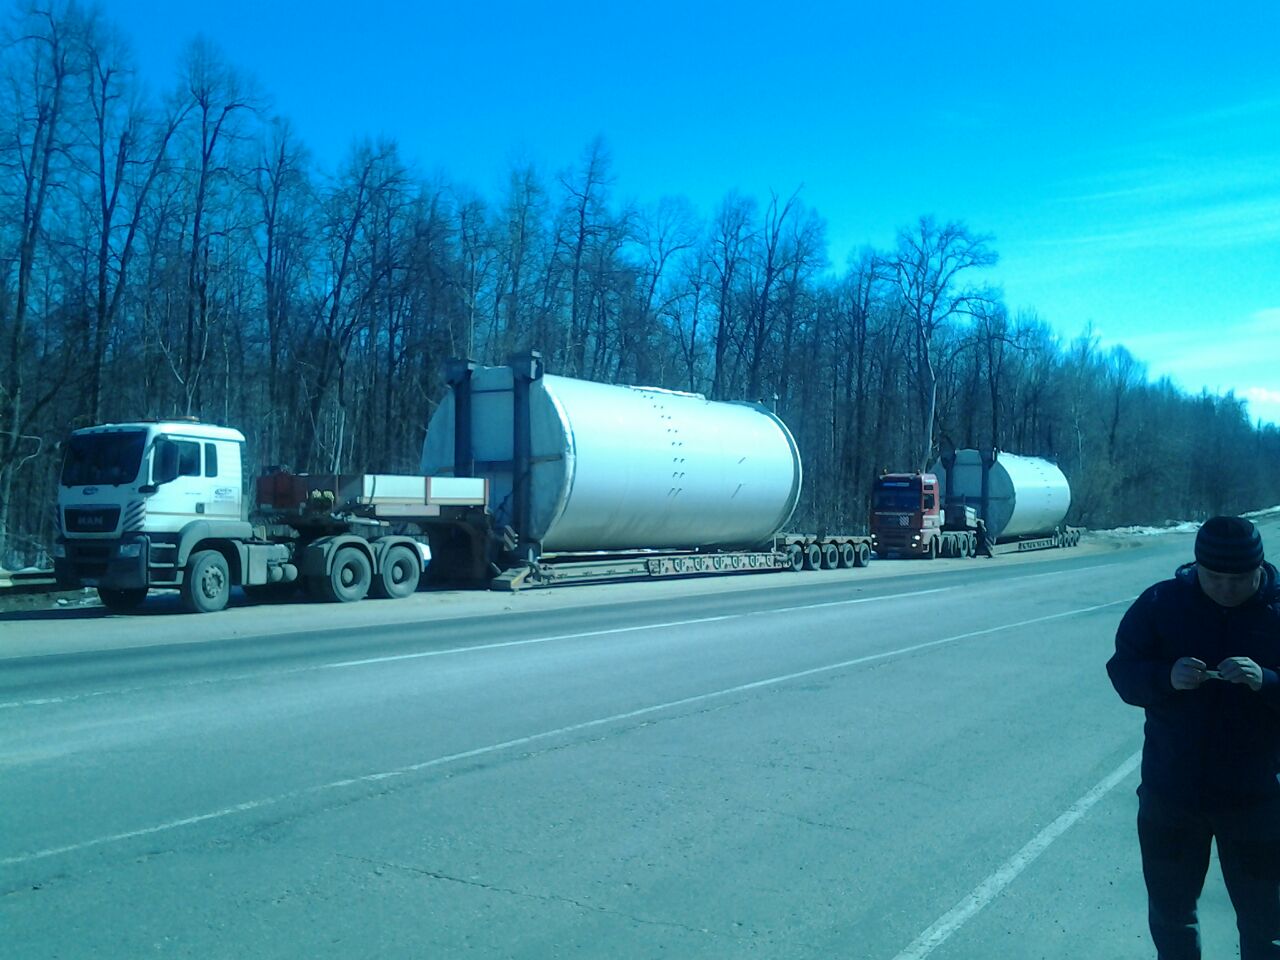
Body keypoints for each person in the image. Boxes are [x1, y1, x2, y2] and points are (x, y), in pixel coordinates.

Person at [1107, 515, 1280, 959]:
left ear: (1259, 569)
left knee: (1267, 924)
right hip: (1172, 795)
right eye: (1214, 577)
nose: (1225, 588)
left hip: (1256, 798)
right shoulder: (1162, 604)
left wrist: (1267, 681)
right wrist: (1165, 677)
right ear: (1196, 567)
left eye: (1239, 578)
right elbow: (1124, 673)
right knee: (1172, 917)